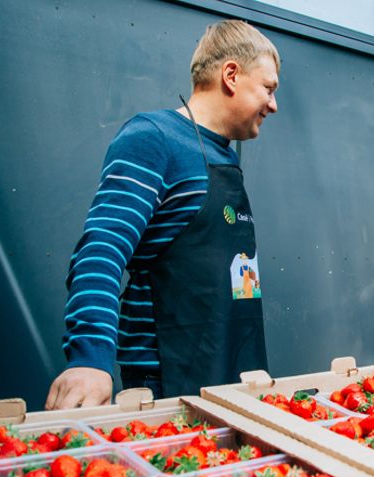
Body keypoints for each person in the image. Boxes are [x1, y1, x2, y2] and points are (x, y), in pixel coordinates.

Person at [46, 20, 280, 409]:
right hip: (169, 379)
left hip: (234, 376)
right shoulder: (153, 139)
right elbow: (102, 248)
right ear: (232, 75)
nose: (274, 105)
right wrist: (89, 359)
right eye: (269, 88)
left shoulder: (223, 153)